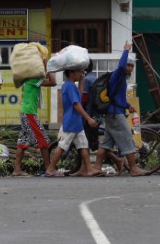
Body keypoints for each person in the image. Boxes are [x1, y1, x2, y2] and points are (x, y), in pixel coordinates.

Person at [92, 42, 148, 177]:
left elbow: (118, 98)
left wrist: (128, 106)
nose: (129, 68)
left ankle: (97, 168)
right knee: (128, 138)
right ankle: (134, 169)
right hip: (116, 115)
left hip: (113, 113)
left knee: (105, 144)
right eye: (128, 65)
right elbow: (121, 65)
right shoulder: (118, 74)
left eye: (132, 66)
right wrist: (126, 50)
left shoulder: (121, 79)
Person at [46, 69, 101, 177]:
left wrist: (81, 80)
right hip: (71, 121)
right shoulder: (69, 85)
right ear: (72, 73)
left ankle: (89, 169)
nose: (81, 74)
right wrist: (88, 118)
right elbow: (76, 104)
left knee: (83, 145)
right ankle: (51, 168)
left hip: (77, 123)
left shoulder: (71, 85)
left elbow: (79, 97)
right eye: (79, 72)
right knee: (62, 145)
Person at [12, 65, 56, 177]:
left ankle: (17, 169)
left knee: (23, 141)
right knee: (43, 140)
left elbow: (49, 80)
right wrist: (50, 66)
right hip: (29, 113)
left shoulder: (31, 80)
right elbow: (53, 82)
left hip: (26, 113)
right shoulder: (33, 80)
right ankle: (48, 168)